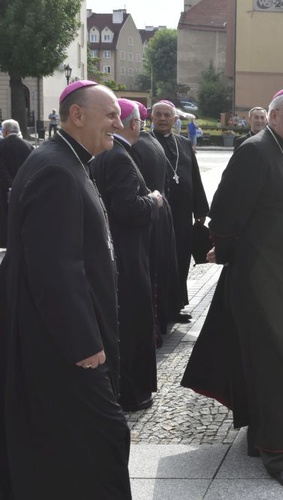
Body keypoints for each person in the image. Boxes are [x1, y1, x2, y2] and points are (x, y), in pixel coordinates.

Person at [181, 88, 283, 490]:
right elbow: (225, 213)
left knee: (278, 362)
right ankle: (278, 453)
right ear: (273, 115)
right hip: (263, 283)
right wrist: (226, 254)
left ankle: (265, 435)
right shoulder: (256, 151)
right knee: (277, 365)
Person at [1, 80, 131, 498]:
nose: (119, 121)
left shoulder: (70, 161)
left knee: (66, 444)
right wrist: (84, 345)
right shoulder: (57, 169)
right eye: (110, 114)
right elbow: (55, 268)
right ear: (78, 115)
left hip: (61, 338)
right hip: (64, 345)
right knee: (105, 436)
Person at [91, 99, 163, 411]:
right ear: (135, 124)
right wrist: (154, 200)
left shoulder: (106, 154)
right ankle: (133, 392)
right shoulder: (120, 157)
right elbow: (127, 208)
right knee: (133, 323)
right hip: (128, 256)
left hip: (114, 252)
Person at [151, 100, 210, 323]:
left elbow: (194, 175)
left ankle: (176, 306)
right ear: (152, 118)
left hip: (183, 213)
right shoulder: (145, 142)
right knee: (163, 259)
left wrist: (200, 208)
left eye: (167, 115)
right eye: (159, 115)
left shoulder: (184, 143)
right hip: (160, 214)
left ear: (175, 119)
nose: (163, 119)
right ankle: (160, 308)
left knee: (181, 258)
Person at [131, 103, 180, 346]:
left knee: (148, 276)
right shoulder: (152, 142)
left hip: (147, 219)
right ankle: (159, 325)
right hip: (161, 213)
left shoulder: (133, 147)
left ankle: (152, 330)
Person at [0, 119, 34, 247]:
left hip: (4, 190)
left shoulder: (1, 146)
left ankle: (5, 241)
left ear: (6, 131)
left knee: (5, 217)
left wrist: (10, 185)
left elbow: (1, 169)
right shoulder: (28, 146)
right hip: (24, 187)